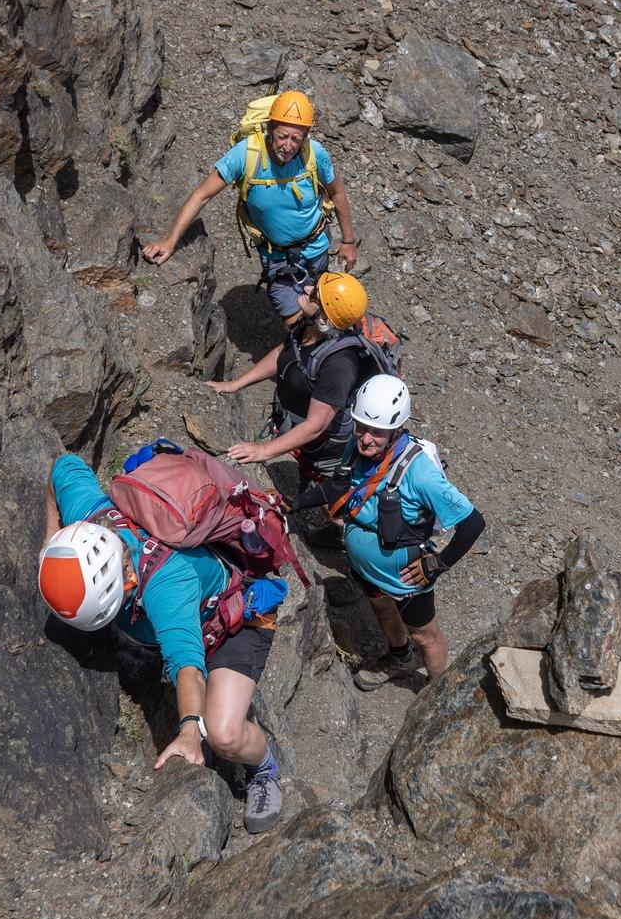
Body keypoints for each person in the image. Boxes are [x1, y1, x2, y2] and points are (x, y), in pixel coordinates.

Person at [39, 453, 286, 833]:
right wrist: (52, 534)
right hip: (183, 613)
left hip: (231, 624)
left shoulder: (166, 589)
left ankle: (264, 770)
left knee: (223, 734)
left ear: (124, 579)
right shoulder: (89, 516)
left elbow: (188, 667)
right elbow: (63, 466)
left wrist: (190, 731)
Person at [290, 376, 485, 688]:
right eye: (360, 427)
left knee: (425, 634)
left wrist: (436, 565)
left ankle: (436, 698)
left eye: (377, 432)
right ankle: (400, 657)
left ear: (396, 428)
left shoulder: (421, 473)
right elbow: (340, 486)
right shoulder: (356, 448)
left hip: (405, 574)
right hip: (368, 565)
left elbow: (473, 523)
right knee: (381, 607)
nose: (366, 438)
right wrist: (293, 506)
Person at [141, 90, 360, 327]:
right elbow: (202, 195)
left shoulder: (314, 154)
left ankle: (316, 356)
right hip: (276, 255)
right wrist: (171, 240)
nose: (288, 146)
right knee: (296, 324)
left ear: (305, 137)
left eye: (296, 139)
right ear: (270, 129)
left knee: (321, 315)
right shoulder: (246, 154)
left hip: (316, 247)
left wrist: (348, 241)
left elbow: (337, 193)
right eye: (282, 136)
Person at [208, 271, 369, 480]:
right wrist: (235, 384)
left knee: (314, 490)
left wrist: (263, 451)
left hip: (320, 450)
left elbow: (315, 425)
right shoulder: (307, 326)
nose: (307, 288)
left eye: (315, 295)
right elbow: (283, 353)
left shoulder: (340, 365)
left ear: (324, 316)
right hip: (290, 427)